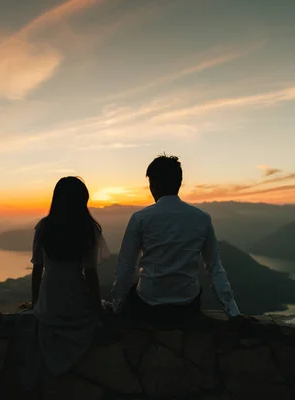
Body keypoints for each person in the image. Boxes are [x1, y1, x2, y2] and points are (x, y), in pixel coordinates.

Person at [112, 154, 247, 323]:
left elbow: (126, 267)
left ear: (152, 185)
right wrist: (232, 311)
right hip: (187, 306)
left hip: (148, 306)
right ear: (179, 183)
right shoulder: (201, 218)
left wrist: (117, 307)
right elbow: (214, 268)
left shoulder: (140, 218)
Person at [20, 176, 110, 388]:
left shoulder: (44, 227)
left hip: (49, 298)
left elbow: (37, 269)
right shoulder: (89, 229)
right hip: (75, 295)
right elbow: (91, 274)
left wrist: (36, 303)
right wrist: (97, 308)